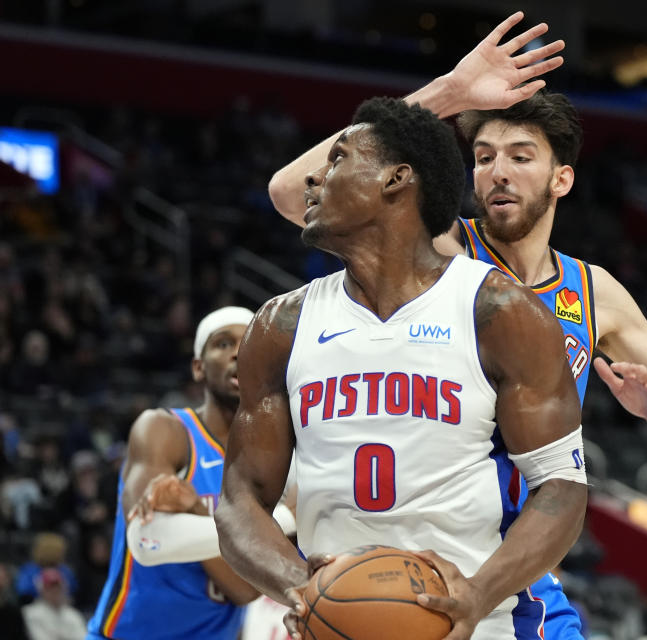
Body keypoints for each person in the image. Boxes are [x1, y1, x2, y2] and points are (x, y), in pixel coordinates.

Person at [267, 12, 647, 639]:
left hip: (514, 577)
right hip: (405, 558)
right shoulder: (435, 251)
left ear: (561, 179)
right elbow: (290, 191)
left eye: (521, 156)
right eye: (484, 157)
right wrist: (450, 94)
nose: (497, 172)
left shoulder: (593, 293)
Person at [214, 97, 588, 640]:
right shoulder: (280, 325)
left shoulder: (499, 312)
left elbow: (561, 485)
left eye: (338, 159)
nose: (314, 178)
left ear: (397, 178)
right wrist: (302, 589)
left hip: (471, 625)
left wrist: (480, 593)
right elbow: (239, 499)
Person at [86, 306, 285, 640]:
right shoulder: (165, 430)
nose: (237, 352)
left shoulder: (276, 459)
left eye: (248, 342)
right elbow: (147, 538)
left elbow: (249, 590)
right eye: (223, 344)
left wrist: (194, 511)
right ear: (198, 367)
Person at [22, 568, 86, 640]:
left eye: (58, 587)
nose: (55, 591)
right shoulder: (30, 613)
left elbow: (83, 637)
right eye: (49, 588)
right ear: (41, 590)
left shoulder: (73, 614)